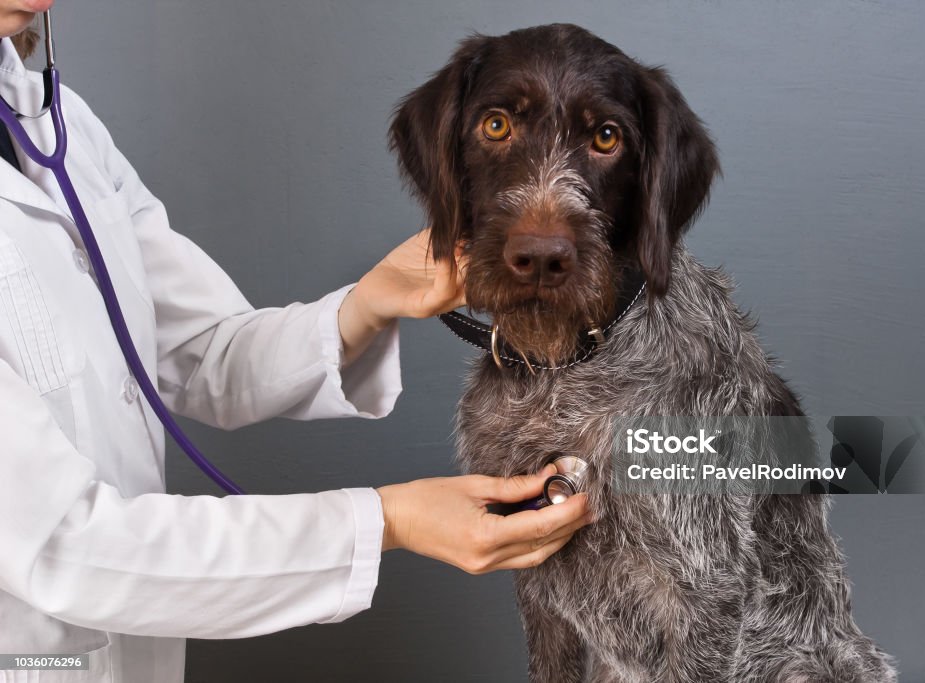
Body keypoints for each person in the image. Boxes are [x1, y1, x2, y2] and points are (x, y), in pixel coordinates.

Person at [0, 5, 590, 682]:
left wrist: (370, 301)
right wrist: (387, 520)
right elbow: (65, 547)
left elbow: (206, 350)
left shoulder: (59, 125)